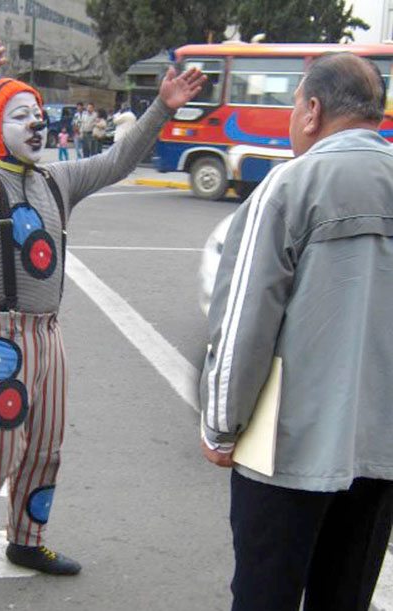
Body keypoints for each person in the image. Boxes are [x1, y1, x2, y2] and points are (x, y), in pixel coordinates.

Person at [0, 40, 206, 594]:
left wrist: (163, 107)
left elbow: (117, 161)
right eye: (19, 115)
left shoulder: (55, 181)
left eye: (38, 114)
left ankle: (26, 540)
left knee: (44, 446)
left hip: (45, 334)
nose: (36, 124)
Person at [200, 52, 393, 611]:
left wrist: (220, 428)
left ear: (312, 110)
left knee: (265, 595)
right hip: (381, 453)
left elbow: (244, 325)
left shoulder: (289, 186)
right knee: (345, 596)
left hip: (286, 452)